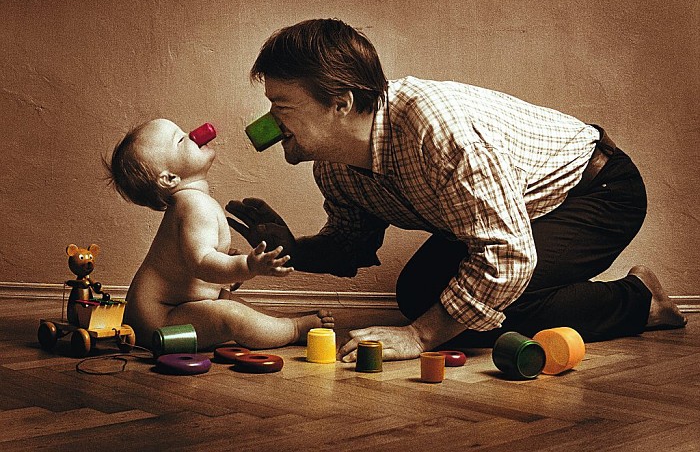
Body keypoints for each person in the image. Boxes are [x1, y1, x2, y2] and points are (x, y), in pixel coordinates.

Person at [227, 18, 687, 362]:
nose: (268, 123)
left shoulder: (437, 131)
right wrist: (295, 251)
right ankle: (606, 298)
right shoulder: (333, 166)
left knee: (492, 300)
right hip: (516, 214)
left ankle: (641, 301)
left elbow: (506, 258)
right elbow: (351, 246)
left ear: (341, 103)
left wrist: (418, 337)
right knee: (419, 296)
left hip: (597, 191)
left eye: (280, 106)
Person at [105, 118, 334, 350]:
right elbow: (202, 263)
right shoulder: (193, 204)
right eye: (181, 139)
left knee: (226, 299)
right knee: (229, 315)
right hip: (159, 322)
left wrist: (226, 261)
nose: (192, 134)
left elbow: (192, 261)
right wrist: (246, 265)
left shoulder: (190, 202)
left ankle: (282, 319)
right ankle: (293, 329)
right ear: (170, 178)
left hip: (173, 309)